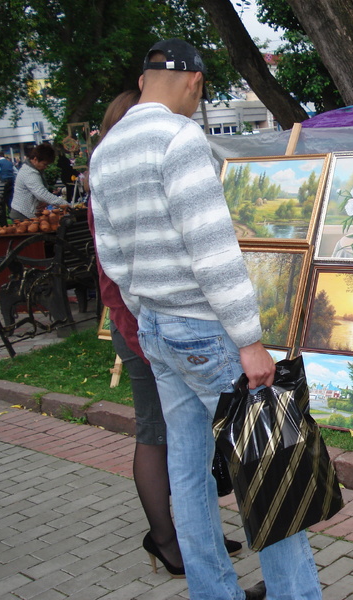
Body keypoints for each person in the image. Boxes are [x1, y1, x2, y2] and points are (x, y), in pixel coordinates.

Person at [89, 39, 321, 600]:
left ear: (144, 80)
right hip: (204, 330)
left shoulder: (106, 151)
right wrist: (250, 342)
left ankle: (212, 592)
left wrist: (149, 314)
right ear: (194, 84)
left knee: (188, 473)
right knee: (266, 468)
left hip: (157, 330)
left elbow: (113, 258)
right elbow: (214, 250)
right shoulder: (179, 137)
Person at [89, 89, 244, 581]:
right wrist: (143, 331)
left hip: (149, 325)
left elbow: (118, 262)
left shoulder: (111, 170)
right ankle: (168, 541)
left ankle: (198, 558)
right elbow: (118, 271)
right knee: (172, 441)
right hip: (154, 328)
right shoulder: (146, 163)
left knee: (182, 450)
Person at [11, 143, 70, 221]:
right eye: (44, 164)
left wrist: (45, 201)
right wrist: (65, 204)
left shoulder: (34, 170)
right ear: (35, 159)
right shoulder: (29, 172)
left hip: (27, 213)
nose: (45, 167)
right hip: (22, 214)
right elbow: (41, 193)